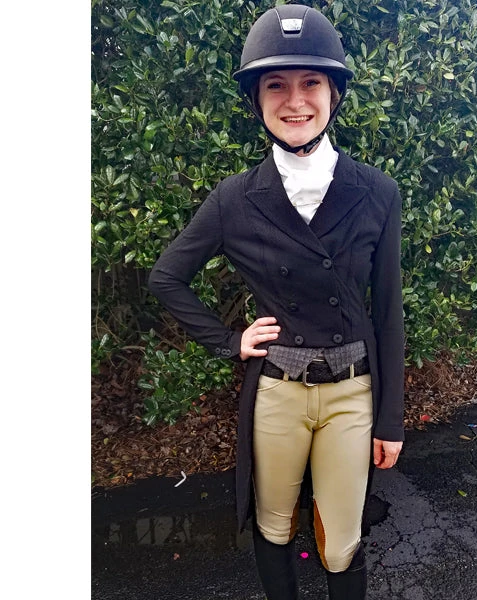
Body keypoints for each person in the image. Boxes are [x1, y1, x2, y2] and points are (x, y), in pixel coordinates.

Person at [148, 4, 405, 598]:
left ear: (334, 93)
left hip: (352, 395)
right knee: (273, 524)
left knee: (341, 542)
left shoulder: (377, 192)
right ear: (256, 100)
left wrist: (390, 418)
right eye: (276, 86)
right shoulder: (235, 199)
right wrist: (228, 341)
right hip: (277, 395)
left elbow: (389, 313)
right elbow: (167, 277)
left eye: (311, 82)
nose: (295, 101)